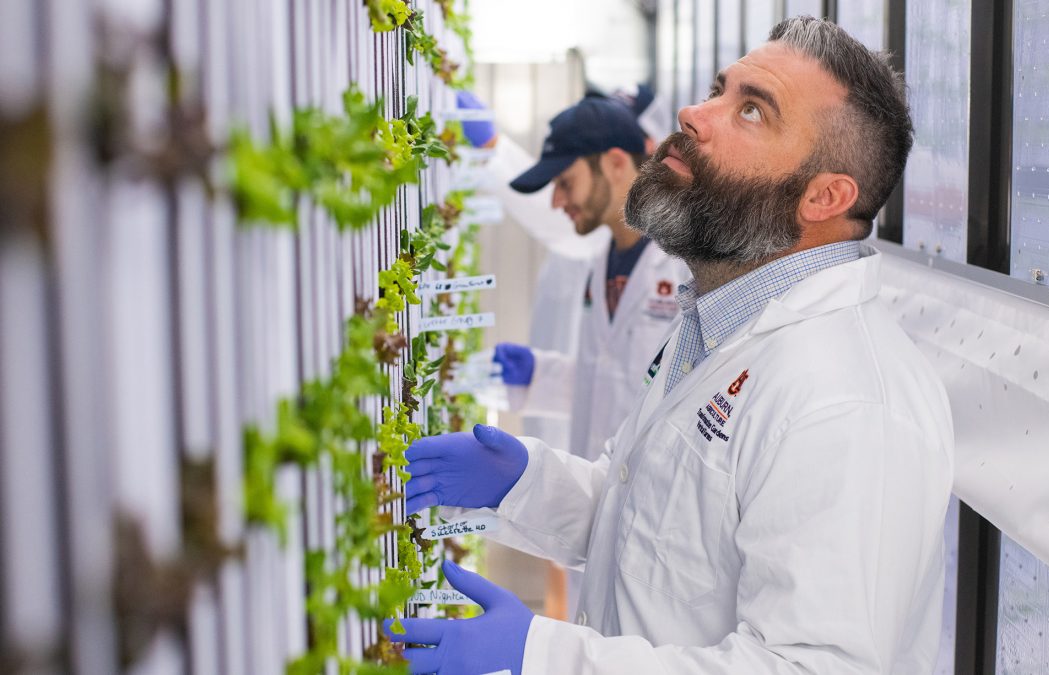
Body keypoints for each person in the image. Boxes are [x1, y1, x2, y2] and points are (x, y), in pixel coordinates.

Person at [389, 16, 954, 674]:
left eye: (750, 110)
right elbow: (651, 523)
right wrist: (523, 483)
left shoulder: (848, 404)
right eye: (719, 89)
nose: (693, 112)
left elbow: (808, 666)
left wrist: (546, 654)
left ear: (824, 195)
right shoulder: (721, 319)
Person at [493, 95, 688, 464]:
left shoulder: (684, 267)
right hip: (599, 481)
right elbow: (613, 378)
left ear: (615, 163)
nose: (556, 202)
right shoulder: (605, 259)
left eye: (565, 182)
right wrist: (539, 374)